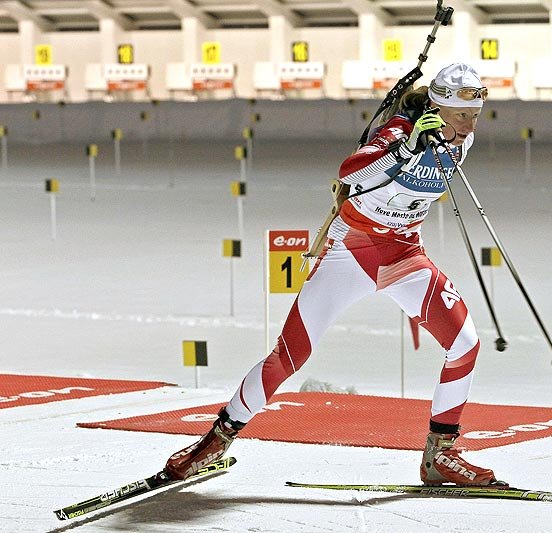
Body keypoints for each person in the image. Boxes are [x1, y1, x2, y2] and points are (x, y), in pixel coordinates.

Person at [164, 63, 504, 487]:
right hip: (353, 251)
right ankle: (212, 444)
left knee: (465, 344)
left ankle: (440, 456)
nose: (469, 124)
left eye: (474, 115)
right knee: (289, 356)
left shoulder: (462, 140)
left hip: (404, 253)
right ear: (437, 107)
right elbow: (350, 173)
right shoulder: (400, 132)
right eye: (460, 116)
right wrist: (406, 147)